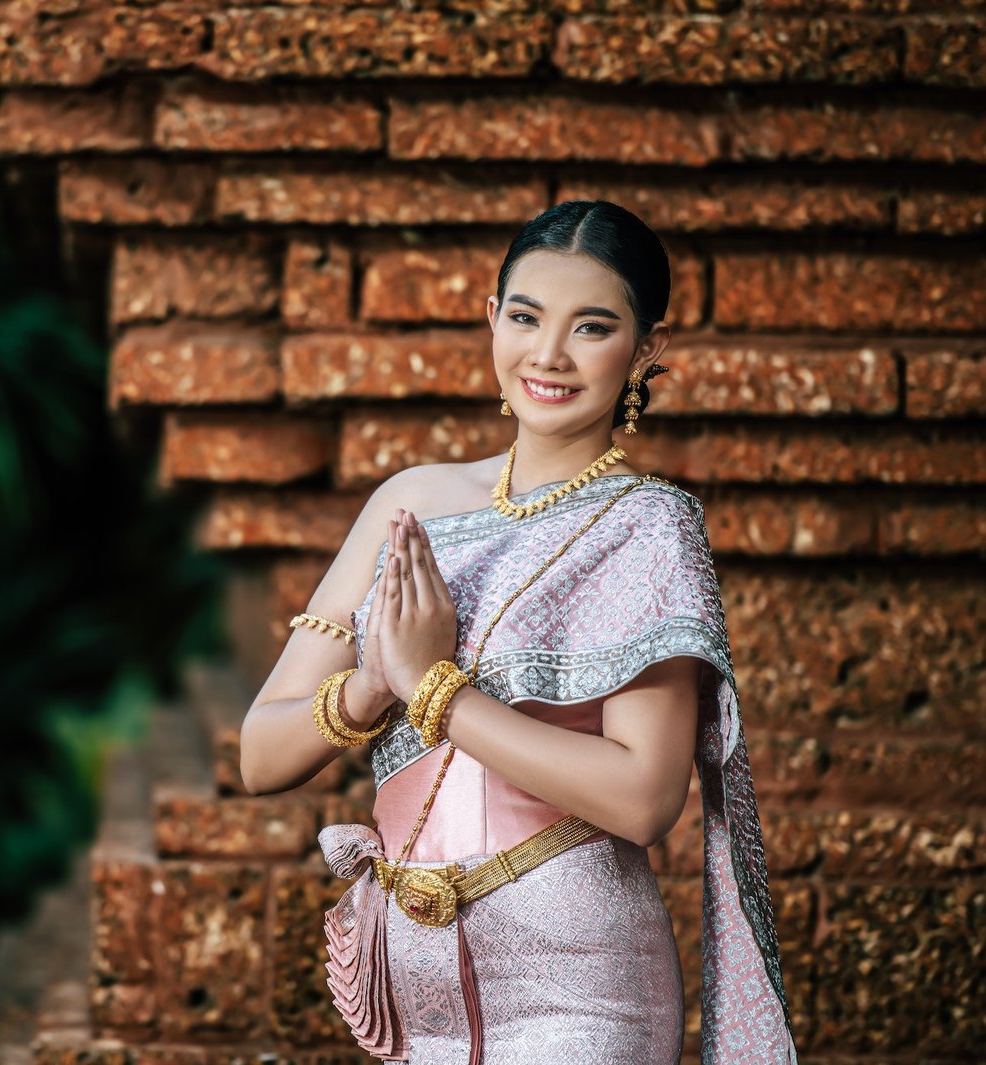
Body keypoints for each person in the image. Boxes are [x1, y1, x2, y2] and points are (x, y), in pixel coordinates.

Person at [239, 200, 797, 1063]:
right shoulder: (407, 503)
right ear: (492, 318)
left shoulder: (646, 525)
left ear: (645, 351)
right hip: (415, 991)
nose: (549, 355)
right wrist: (373, 684)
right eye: (528, 317)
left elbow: (646, 799)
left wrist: (436, 690)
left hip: (580, 989)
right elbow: (260, 755)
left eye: (593, 327)